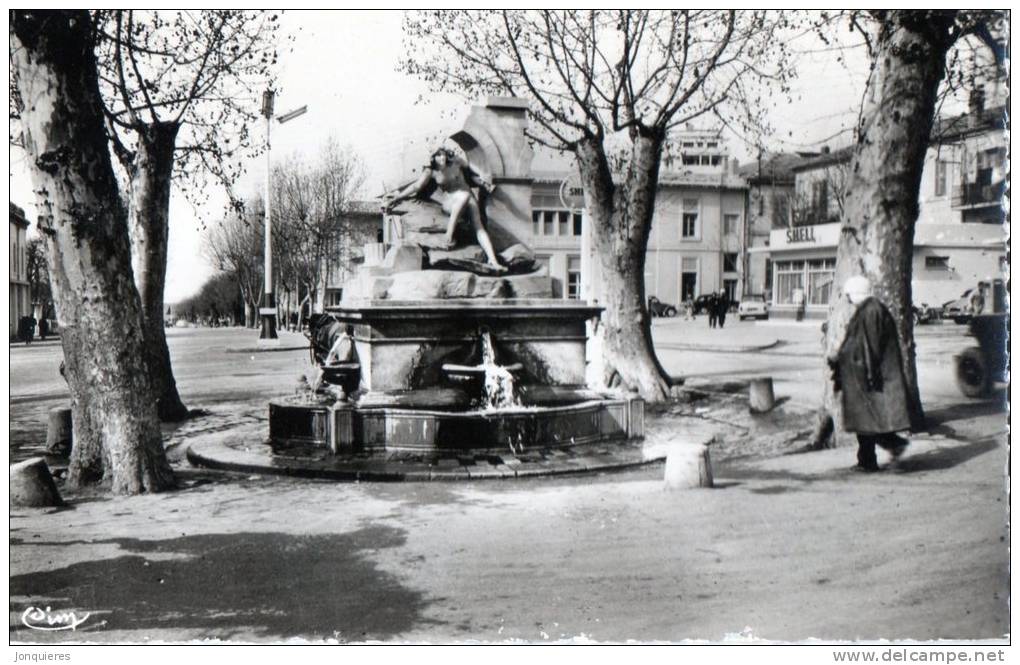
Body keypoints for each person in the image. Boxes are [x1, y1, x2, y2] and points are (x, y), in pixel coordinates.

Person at [827, 275, 911, 472]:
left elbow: (868, 346)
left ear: (856, 293)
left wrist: (841, 358)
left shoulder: (871, 311)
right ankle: (868, 460)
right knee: (866, 421)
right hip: (866, 374)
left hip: (870, 376)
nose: (848, 300)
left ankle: (891, 447)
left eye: (849, 296)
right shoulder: (870, 309)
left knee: (869, 421)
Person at [383, 147, 506, 272]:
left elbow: (472, 168)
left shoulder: (456, 161)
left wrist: (483, 179)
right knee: (464, 195)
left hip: (468, 198)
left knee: (479, 226)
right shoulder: (430, 172)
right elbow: (416, 186)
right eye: (438, 155)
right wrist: (397, 197)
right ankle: (449, 233)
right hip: (450, 202)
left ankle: (493, 260)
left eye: (443, 154)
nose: (442, 158)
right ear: (432, 158)